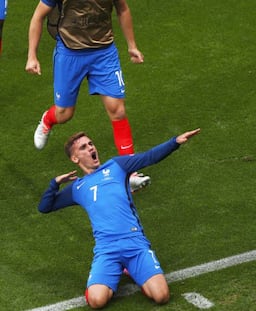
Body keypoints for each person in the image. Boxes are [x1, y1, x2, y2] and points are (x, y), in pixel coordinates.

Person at [38, 128, 200, 309]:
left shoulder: (117, 166)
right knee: (96, 302)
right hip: (106, 250)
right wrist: (55, 183)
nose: (91, 148)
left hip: (135, 243)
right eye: (83, 147)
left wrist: (175, 142)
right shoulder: (77, 188)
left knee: (162, 297)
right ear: (75, 159)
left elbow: (148, 157)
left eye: (91, 144)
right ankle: (114, 275)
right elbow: (45, 207)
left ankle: (133, 270)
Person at [25, 0, 149, 191]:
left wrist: (132, 45)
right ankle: (48, 120)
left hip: (104, 53)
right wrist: (32, 56)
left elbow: (122, 8)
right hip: (70, 53)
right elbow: (38, 16)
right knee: (64, 114)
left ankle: (129, 172)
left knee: (118, 110)